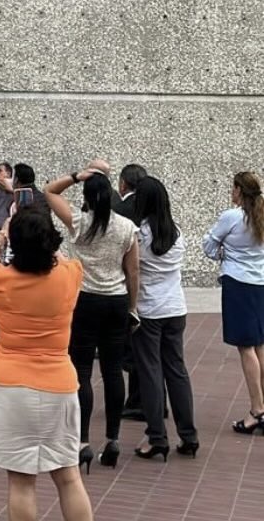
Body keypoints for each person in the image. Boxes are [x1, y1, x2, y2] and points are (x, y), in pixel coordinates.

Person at [0, 208, 93, 521]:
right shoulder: (69, 276)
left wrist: (2, 235)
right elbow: (66, 260)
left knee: (21, 480)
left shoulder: (2, 281)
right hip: (60, 383)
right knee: (68, 475)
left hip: (13, 385)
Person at [44, 163, 139, 471]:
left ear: (86, 196)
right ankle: (112, 439)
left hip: (83, 300)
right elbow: (133, 270)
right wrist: (132, 307)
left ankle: (82, 441)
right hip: (115, 300)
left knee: (81, 370)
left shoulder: (79, 222)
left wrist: (77, 175)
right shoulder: (126, 227)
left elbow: (48, 191)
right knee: (113, 371)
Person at [131, 177, 199, 459]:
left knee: (150, 372)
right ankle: (188, 435)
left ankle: (156, 436)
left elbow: (132, 271)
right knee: (177, 370)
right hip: (175, 307)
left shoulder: (139, 235)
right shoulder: (177, 233)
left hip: (148, 310)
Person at [202, 171, 264, 434]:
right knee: (260, 344)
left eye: (233, 188)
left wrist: (225, 255)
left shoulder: (232, 217)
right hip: (261, 281)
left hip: (238, 283)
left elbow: (209, 246)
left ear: (239, 190)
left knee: (245, 347)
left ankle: (257, 410)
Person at [111, 163, 150, 421]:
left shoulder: (121, 209)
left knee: (134, 349)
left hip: (128, 283)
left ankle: (138, 401)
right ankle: (152, 399)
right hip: (156, 289)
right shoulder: (152, 209)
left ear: (123, 183)